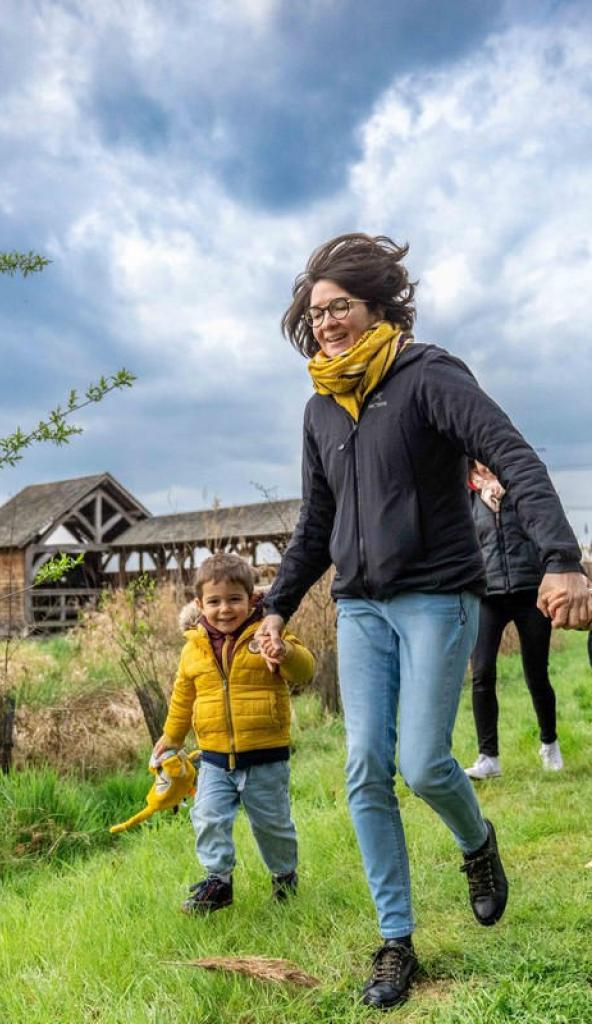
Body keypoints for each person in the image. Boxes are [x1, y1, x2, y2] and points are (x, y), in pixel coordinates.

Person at [255, 233, 592, 1011]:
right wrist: (275, 605)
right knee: (364, 769)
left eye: (340, 307)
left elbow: (511, 455)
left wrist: (562, 557)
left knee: (423, 763)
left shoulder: (428, 376)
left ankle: (478, 844)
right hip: (360, 608)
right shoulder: (320, 408)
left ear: (377, 303)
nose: (328, 323)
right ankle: (396, 941)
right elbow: (317, 523)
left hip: (438, 595)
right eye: (316, 314)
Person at [152, 553, 314, 914]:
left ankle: (284, 877)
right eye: (214, 601)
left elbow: (305, 670)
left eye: (234, 600)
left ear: (252, 598)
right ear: (199, 604)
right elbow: (183, 696)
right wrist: (172, 737)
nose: (225, 609)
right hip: (213, 757)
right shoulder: (193, 649)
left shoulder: (268, 634)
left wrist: (284, 652)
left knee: (272, 825)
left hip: (266, 755)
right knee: (208, 816)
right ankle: (218, 881)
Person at [465, 460, 563, 779]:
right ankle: (488, 757)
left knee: (536, 673)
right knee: (481, 674)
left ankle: (549, 743)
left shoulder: (520, 487)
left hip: (529, 591)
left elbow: (544, 531)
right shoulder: (464, 497)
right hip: (487, 596)